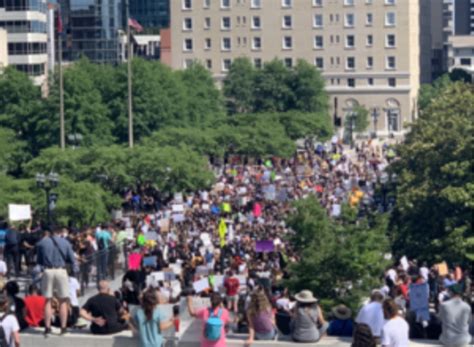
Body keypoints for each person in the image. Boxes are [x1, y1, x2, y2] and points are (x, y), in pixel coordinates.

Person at [36, 227, 77, 336]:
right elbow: (72, 259)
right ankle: (63, 327)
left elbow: (39, 261)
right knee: (63, 300)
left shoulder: (42, 243)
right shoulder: (65, 242)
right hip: (61, 270)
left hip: (48, 270)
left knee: (47, 301)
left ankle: (47, 327)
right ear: (59, 232)